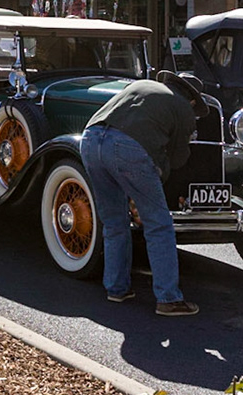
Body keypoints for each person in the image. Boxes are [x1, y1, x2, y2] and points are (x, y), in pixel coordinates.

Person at [81, 71, 201, 317]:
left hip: (90, 139)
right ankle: (168, 298)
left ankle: (116, 288)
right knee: (159, 224)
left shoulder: (142, 85)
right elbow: (178, 159)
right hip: (127, 149)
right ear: (192, 100)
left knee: (114, 221)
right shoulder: (183, 108)